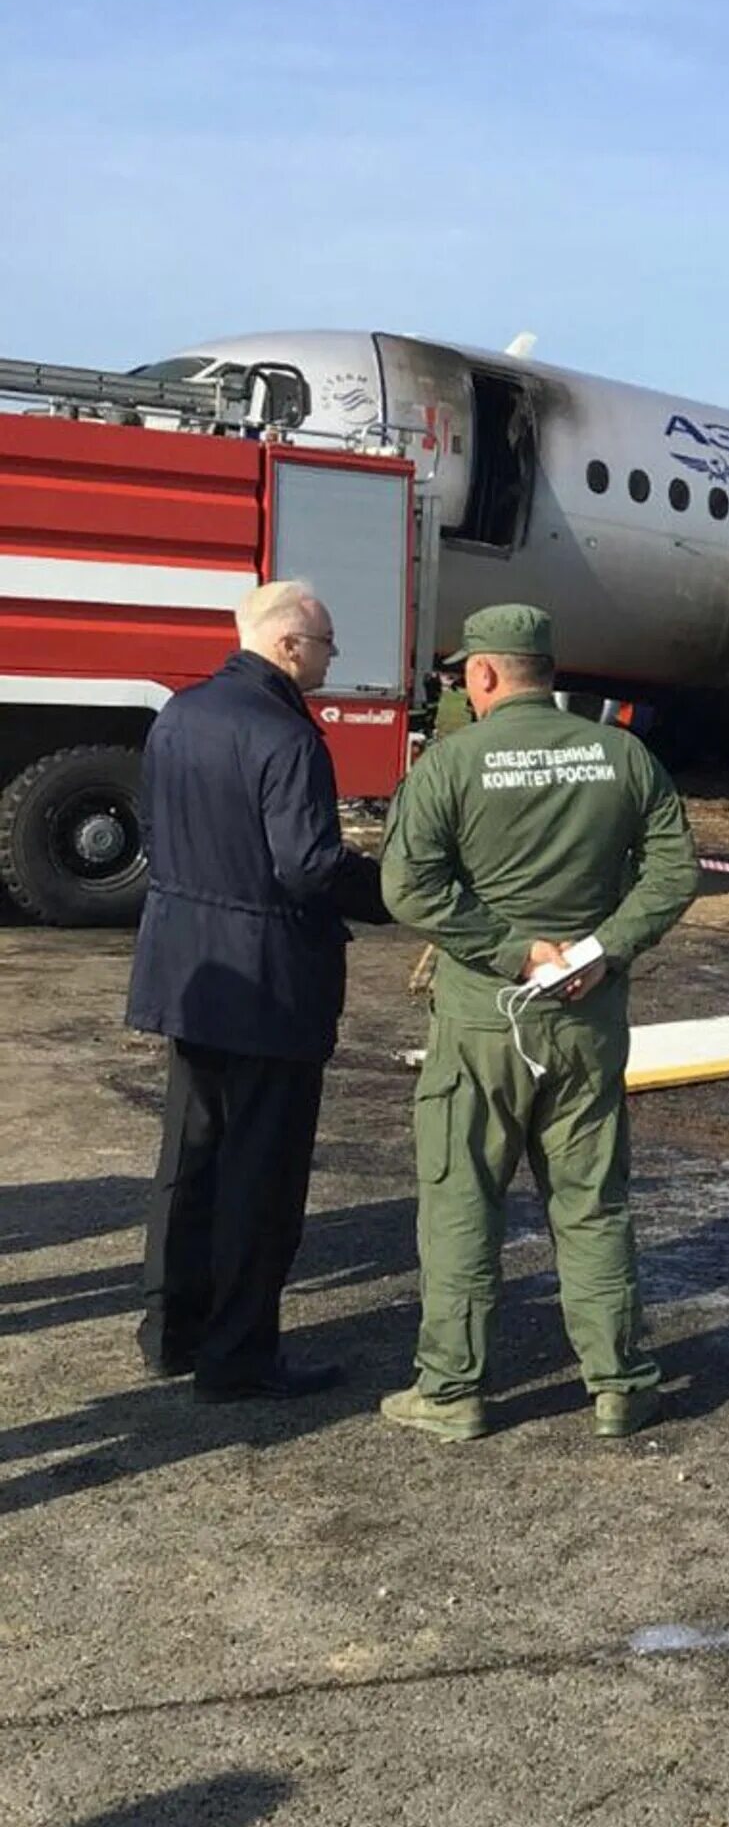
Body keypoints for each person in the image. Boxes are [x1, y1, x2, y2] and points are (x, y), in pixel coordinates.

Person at [378, 604, 699, 1443]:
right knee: (592, 1203)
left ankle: (451, 1391)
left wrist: (515, 952)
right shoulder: (624, 756)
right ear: (546, 671)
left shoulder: (450, 764)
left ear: (485, 674)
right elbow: (674, 873)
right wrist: (603, 948)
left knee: (462, 1201)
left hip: (485, 1024)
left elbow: (408, 888)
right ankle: (622, 1382)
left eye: (464, 678)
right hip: (587, 1019)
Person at [128, 579, 388, 1399]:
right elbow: (306, 866)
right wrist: (393, 890)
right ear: (286, 645)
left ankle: (172, 1330)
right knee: (260, 1174)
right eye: (326, 645)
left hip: (186, 970)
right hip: (270, 984)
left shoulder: (179, 716)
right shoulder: (289, 737)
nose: (330, 659)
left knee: (190, 1157)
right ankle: (238, 1353)